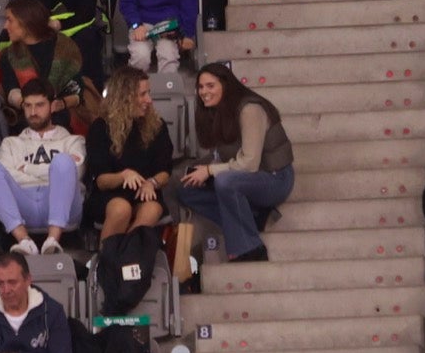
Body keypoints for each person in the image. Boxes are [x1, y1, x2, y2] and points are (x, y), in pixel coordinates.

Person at [180, 63, 294, 263]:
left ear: (226, 85)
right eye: (200, 87)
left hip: (274, 177)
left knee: (225, 181)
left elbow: (250, 163)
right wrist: (200, 170)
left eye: (210, 86)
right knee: (186, 188)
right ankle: (254, 216)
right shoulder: (217, 111)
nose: (204, 92)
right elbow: (222, 155)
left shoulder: (250, 109)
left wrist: (209, 170)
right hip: (245, 177)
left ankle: (250, 248)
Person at [0, 80, 85, 257]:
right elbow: (5, 177)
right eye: (28, 106)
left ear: (52, 106)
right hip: (23, 203)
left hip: (62, 205)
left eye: (39, 105)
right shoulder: (11, 143)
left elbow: (75, 173)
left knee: (63, 163)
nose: (33, 112)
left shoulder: (72, 141)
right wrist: (51, 173)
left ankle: (52, 241)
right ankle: (24, 241)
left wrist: (26, 169)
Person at [85, 67, 171, 239]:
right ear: (124, 98)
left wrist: (151, 183)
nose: (149, 100)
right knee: (121, 209)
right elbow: (101, 180)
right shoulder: (100, 128)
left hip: (145, 192)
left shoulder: (157, 126)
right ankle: (108, 262)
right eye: (142, 94)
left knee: (152, 209)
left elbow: (165, 170)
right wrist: (124, 176)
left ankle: (129, 256)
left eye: (148, 93)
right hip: (110, 194)